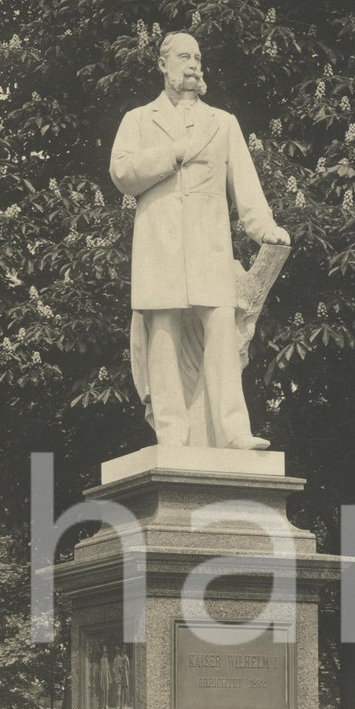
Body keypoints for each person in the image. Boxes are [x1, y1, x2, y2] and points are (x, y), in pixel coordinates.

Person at [110, 31, 290, 449]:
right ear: (163, 65)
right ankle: (172, 432)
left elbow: (246, 186)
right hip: (160, 243)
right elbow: (121, 174)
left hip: (209, 244)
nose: (193, 65)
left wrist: (265, 228)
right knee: (164, 333)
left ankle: (233, 431)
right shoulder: (138, 119)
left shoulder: (222, 122)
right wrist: (171, 153)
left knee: (222, 327)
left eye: (198, 57)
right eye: (184, 57)